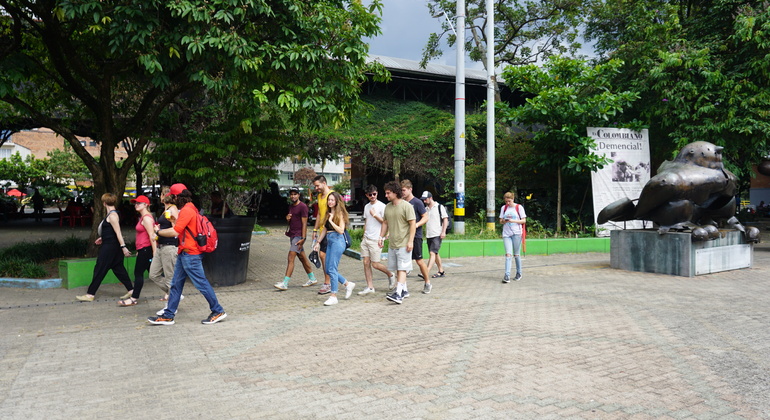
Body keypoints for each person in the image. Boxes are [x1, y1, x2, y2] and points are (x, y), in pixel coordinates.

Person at [147, 184, 227, 325]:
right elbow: (183, 227)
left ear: (177, 197)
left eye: (173, 197)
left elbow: (175, 232)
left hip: (191, 254)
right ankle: (168, 315)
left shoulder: (186, 210)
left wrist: (157, 232)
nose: (171, 199)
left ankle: (218, 310)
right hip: (184, 253)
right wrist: (173, 221)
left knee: (201, 283)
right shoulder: (191, 208)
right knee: (175, 285)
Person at [76, 193, 133, 301]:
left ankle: (90, 294)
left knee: (100, 268)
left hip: (110, 247)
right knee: (118, 268)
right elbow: (111, 231)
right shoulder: (113, 214)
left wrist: (124, 247)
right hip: (111, 244)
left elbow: (118, 232)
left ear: (104, 203)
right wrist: (103, 237)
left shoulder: (112, 216)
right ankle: (131, 290)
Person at [313, 191, 355, 305]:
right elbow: (325, 230)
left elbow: (341, 230)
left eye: (332, 200)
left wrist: (331, 220)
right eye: (329, 200)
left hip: (338, 241)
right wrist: (318, 242)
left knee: (332, 269)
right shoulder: (327, 213)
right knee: (328, 269)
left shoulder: (339, 213)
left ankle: (333, 295)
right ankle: (347, 284)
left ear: (336, 201)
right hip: (329, 240)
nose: (330, 202)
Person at [379, 181, 416, 304]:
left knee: (402, 269)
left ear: (395, 192)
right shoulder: (388, 207)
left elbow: (412, 224)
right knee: (396, 268)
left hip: (404, 243)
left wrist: (410, 241)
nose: (386, 195)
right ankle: (404, 290)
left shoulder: (407, 206)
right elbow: (385, 223)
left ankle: (398, 293)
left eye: (388, 193)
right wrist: (381, 237)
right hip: (393, 243)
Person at [118, 195, 157, 306]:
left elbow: (152, 236)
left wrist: (154, 252)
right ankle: (171, 292)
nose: (136, 205)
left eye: (139, 203)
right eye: (135, 203)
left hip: (146, 249)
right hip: (143, 249)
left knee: (138, 273)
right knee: (155, 275)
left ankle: (134, 298)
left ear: (146, 205)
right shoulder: (143, 217)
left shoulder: (146, 218)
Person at [148, 189, 183, 315]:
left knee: (169, 277)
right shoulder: (165, 210)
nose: (164, 196)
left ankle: (170, 306)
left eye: (167, 194)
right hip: (160, 246)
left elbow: (177, 228)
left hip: (169, 247)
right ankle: (175, 293)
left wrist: (159, 231)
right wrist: (157, 234)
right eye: (164, 193)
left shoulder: (173, 209)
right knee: (153, 274)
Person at [275, 187, 316, 290]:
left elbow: (304, 223)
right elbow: (293, 221)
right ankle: (312, 278)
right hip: (292, 235)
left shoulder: (303, 207)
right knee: (302, 258)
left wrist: (303, 238)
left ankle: (285, 283)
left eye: (295, 194)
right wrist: (287, 219)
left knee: (290, 258)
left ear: (299, 195)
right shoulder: (291, 206)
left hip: (298, 236)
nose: (293, 196)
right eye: (291, 194)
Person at [358, 185, 395, 295]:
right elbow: (366, 222)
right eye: (370, 195)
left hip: (376, 238)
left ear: (377, 193)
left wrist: (375, 215)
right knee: (366, 262)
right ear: (367, 195)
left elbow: (386, 222)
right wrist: (364, 234)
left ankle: (390, 274)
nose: (373, 196)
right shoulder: (366, 207)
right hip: (366, 238)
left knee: (375, 264)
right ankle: (370, 287)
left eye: (374, 194)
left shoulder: (382, 206)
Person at [400, 179, 431, 293]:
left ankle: (427, 282)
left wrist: (416, 225)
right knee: (402, 262)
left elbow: (426, 217)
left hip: (416, 236)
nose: (402, 193)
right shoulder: (401, 202)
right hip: (403, 236)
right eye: (401, 190)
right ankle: (402, 288)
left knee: (419, 260)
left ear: (410, 189)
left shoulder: (417, 202)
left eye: (404, 190)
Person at [310, 175, 333, 294]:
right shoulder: (320, 196)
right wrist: (314, 230)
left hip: (331, 232)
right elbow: (319, 214)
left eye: (318, 185)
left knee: (325, 256)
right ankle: (329, 282)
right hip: (322, 231)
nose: (316, 188)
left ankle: (328, 283)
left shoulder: (332, 196)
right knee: (323, 256)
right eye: (315, 186)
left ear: (324, 183)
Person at [500, 191, 527, 283]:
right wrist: (504, 221)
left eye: (509, 201)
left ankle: (519, 273)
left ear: (513, 199)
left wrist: (513, 221)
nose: (508, 203)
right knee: (508, 254)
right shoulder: (504, 208)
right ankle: (507, 275)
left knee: (516, 254)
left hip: (517, 233)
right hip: (506, 233)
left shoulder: (518, 207)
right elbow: (500, 220)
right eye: (506, 201)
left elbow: (523, 221)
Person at [421, 191, 448, 278]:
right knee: (435, 253)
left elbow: (445, 219)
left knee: (432, 253)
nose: (424, 201)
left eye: (425, 199)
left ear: (430, 198)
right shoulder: (426, 209)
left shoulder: (439, 207)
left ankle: (426, 272)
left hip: (437, 233)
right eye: (423, 200)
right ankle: (441, 271)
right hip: (429, 234)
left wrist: (443, 231)